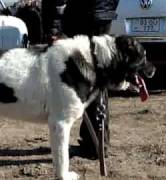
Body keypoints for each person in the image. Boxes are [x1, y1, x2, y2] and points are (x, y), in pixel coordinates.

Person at [41, 0, 119, 159]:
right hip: (102, 16)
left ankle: (95, 143)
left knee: (86, 78)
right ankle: (96, 141)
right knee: (95, 76)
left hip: (83, 16)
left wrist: (54, 29)